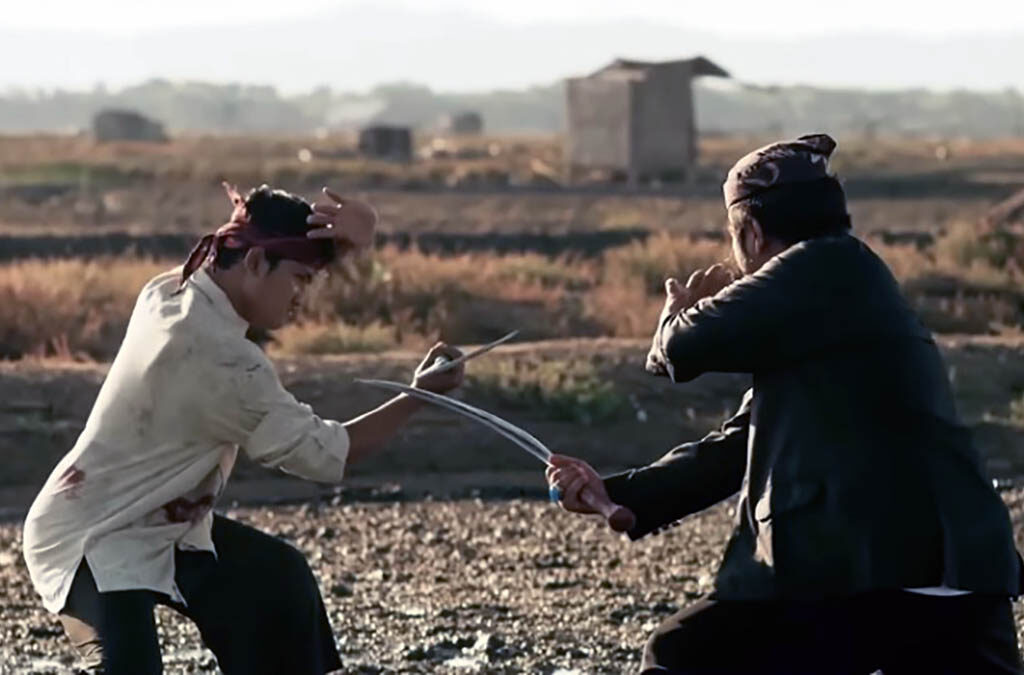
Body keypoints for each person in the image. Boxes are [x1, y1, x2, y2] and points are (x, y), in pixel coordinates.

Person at [547, 134, 1023, 674]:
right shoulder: (835, 295)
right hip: (955, 571)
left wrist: (676, 313)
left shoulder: (819, 268)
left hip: (878, 568)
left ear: (749, 232)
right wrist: (617, 494)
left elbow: (680, 348)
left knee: (686, 654)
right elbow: (740, 445)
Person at [22, 184, 465, 674]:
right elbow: (329, 454)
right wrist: (418, 395)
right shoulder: (225, 363)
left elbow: (262, 247)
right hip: (87, 535)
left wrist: (348, 242)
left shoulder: (173, 289)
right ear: (254, 263)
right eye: (299, 279)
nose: (301, 299)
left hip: (163, 524)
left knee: (277, 580)